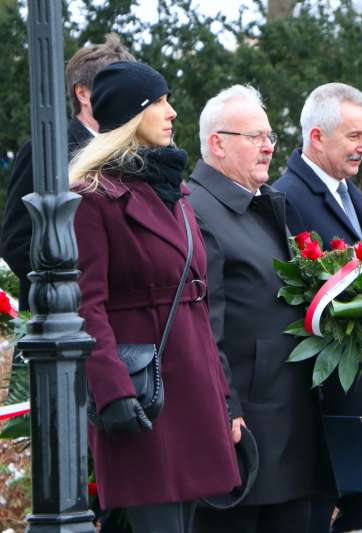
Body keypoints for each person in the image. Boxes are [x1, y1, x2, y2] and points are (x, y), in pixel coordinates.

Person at [70, 61, 240, 533]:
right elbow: (86, 306)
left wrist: (224, 395)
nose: (171, 112)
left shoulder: (173, 191)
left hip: (195, 387)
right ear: (131, 114)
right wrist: (112, 390)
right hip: (144, 394)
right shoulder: (93, 198)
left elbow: (201, 302)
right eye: (158, 101)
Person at [188, 84, 332, 533]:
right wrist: (225, 408)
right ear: (217, 143)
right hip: (245, 430)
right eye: (255, 137)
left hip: (284, 425)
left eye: (270, 136)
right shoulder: (197, 210)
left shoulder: (259, 203)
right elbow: (202, 328)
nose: (269, 146)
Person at [273, 82, 362, 533]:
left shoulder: (356, 198)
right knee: (317, 514)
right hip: (322, 398)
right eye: (354, 136)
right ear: (317, 136)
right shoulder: (285, 198)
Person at [0, 34, 134, 312]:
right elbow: (16, 242)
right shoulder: (45, 151)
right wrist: (79, 286)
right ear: (82, 93)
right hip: (64, 317)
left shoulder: (134, 156)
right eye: (115, 89)